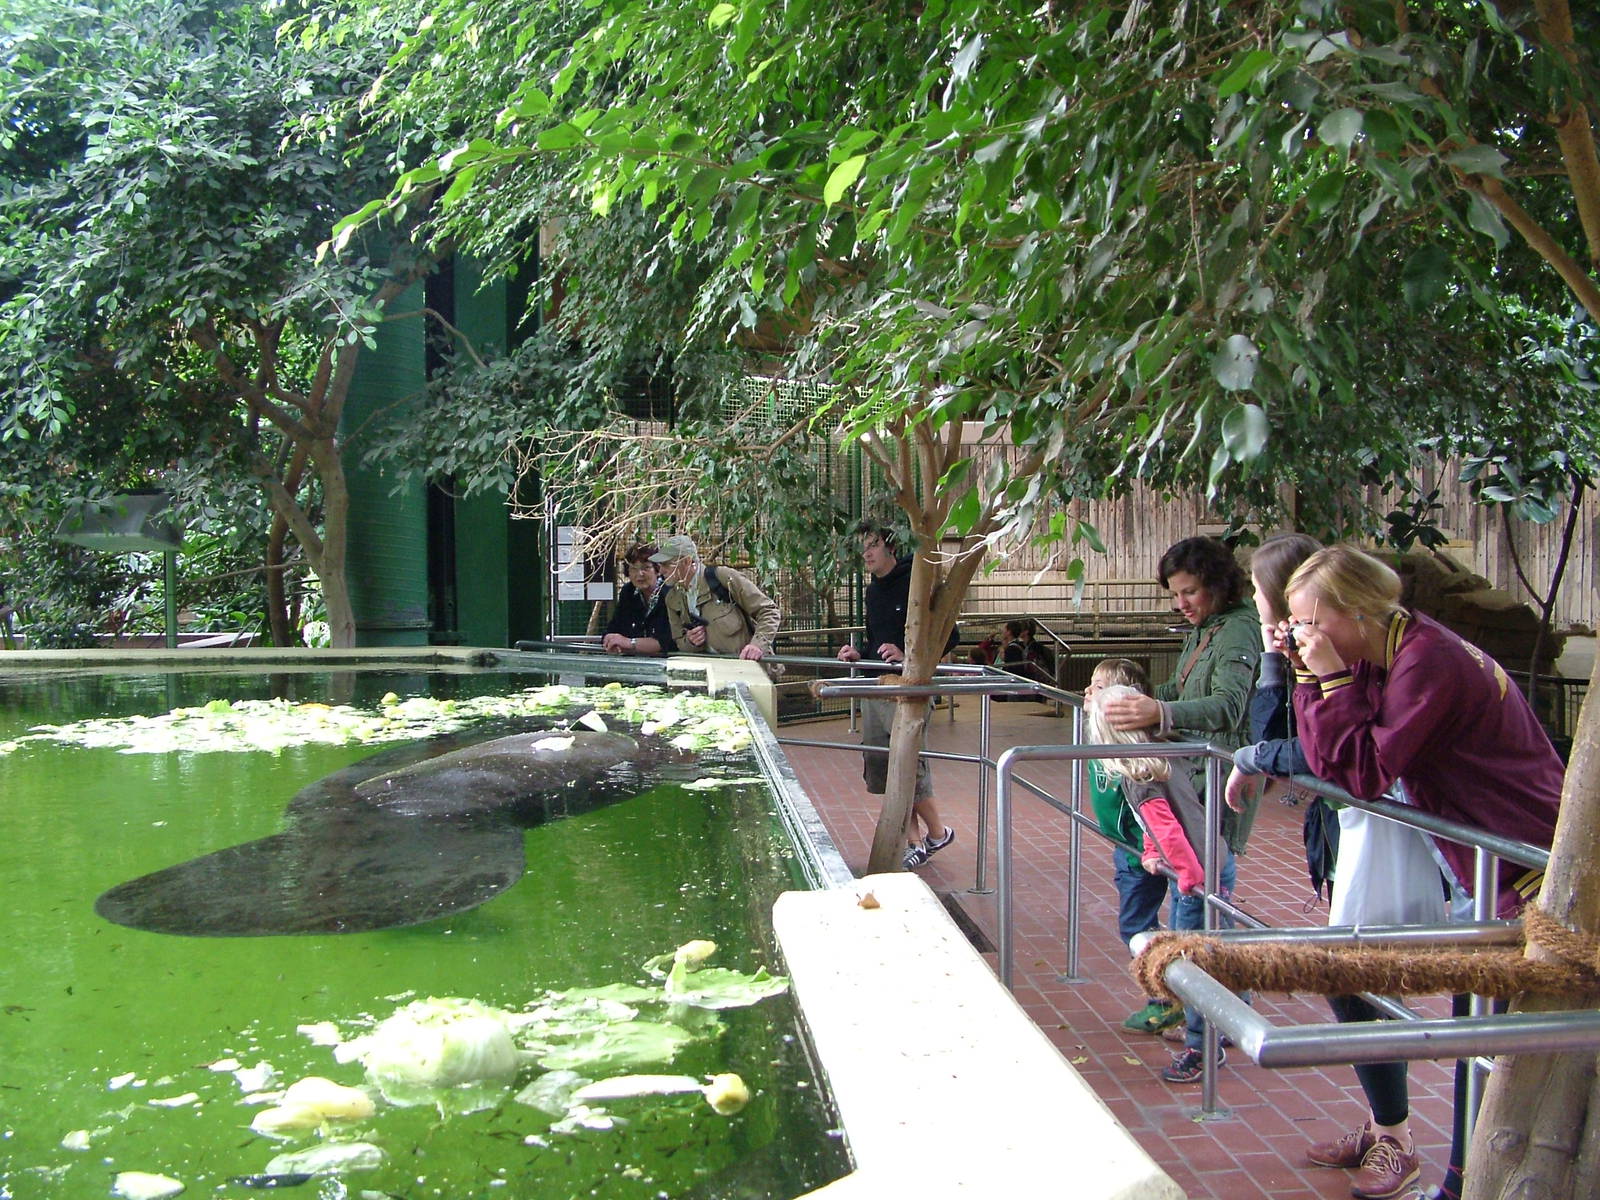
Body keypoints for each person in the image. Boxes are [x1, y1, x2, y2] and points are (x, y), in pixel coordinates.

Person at [1285, 545, 1564, 1200]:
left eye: (1309, 623)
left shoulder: (1427, 662)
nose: (1301, 636)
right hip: (1485, 863)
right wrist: (1308, 675)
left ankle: (1469, 1183)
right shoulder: (1389, 654)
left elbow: (1360, 771)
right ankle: (1450, 1172)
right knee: (1468, 1024)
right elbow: (1337, 762)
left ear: (1355, 613)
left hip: (1529, 865)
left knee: (1504, 1042)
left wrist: (1324, 679)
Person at [1101, 535, 1260, 1083]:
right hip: (1191, 793)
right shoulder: (1205, 630)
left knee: (1194, 918)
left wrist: (1159, 709)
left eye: (1189, 592)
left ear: (1217, 584)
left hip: (1209, 797)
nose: (1182, 603)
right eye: (1176, 595)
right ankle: (1225, 1010)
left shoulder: (1239, 629)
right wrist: (1133, 701)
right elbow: (1178, 687)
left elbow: (1229, 706)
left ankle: (1203, 1041)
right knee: (1208, 911)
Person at [835, 521, 959, 869]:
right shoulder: (874, 590)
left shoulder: (915, 582)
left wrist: (910, 658)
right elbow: (878, 639)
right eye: (864, 547)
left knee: (907, 763)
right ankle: (918, 840)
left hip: (908, 689)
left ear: (891, 546)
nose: (867, 553)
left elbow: (949, 635)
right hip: (876, 687)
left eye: (873, 545)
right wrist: (861, 655)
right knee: (883, 765)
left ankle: (934, 834)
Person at [1084, 658, 1196, 1037]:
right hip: (1130, 851)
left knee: (1167, 926)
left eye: (1100, 687)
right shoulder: (1099, 739)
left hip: (1152, 851)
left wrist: (1163, 855)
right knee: (1135, 924)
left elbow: (1156, 814)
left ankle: (1175, 1001)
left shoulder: (1139, 759)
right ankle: (1167, 997)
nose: (1089, 692)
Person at [651, 535, 780, 661]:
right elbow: (680, 643)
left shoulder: (722, 577)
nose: (661, 571)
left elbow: (769, 611)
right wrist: (691, 642)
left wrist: (757, 645)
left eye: (666, 564)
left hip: (745, 667)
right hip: (710, 671)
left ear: (687, 561)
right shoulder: (672, 597)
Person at [601, 542, 677, 656]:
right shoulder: (628, 592)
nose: (639, 574)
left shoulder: (670, 593)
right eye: (633, 568)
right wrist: (609, 638)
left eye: (646, 567)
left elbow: (667, 642)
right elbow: (614, 627)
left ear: (657, 569)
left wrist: (629, 643)